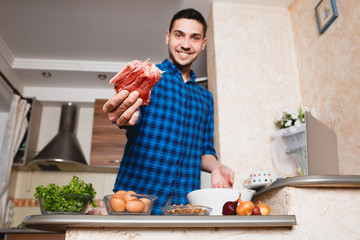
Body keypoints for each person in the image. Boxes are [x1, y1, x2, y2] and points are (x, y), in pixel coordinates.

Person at [103, 8, 234, 215]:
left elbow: (205, 150)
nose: (185, 44)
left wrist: (216, 167)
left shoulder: (206, 98)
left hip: (184, 203)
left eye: (195, 37)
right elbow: (126, 118)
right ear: (168, 37)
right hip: (136, 196)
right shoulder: (148, 77)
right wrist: (123, 118)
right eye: (179, 35)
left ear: (203, 44)